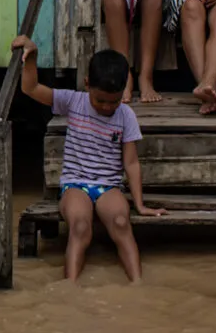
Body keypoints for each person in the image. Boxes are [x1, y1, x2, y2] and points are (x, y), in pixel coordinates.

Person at [13, 37, 165, 281]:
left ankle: (138, 285)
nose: (106, 107)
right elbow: (30, 88)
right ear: (87, 85)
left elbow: (131, 163)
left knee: (120, 222)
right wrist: (31, 56)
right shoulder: (73, 101)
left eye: (113, 101)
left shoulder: (126, 115)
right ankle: (70, 285)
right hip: (75, 185)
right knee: (80, 227)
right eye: (100, 100)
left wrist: (140, 204)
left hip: (109, 186)